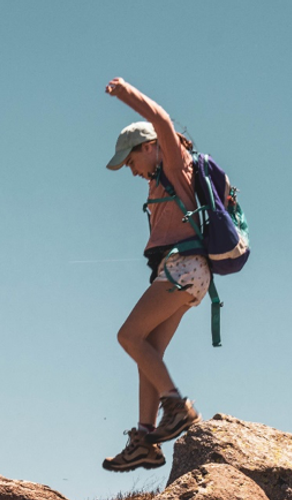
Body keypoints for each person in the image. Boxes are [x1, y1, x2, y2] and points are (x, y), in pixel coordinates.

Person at [100, 77, 205, 472]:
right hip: (188, 274)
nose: (130, 170)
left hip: (182, 268)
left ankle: (176, 407)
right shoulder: (160, 179)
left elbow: (161, 118)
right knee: (148, 352)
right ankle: (145, 440)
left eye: (131, 160)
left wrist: (125, 93)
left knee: (127, 336)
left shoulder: (175, 164)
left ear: (149, 147)